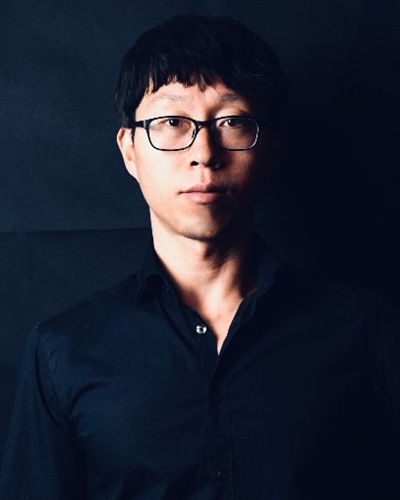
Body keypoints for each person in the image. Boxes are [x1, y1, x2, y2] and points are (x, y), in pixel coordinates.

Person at [1, 13, 399, 500]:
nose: (204, 153)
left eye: (231, 122)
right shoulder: (61, 351)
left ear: (273, 150)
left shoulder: (363, 328)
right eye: (171, 122)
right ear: (130, 151)